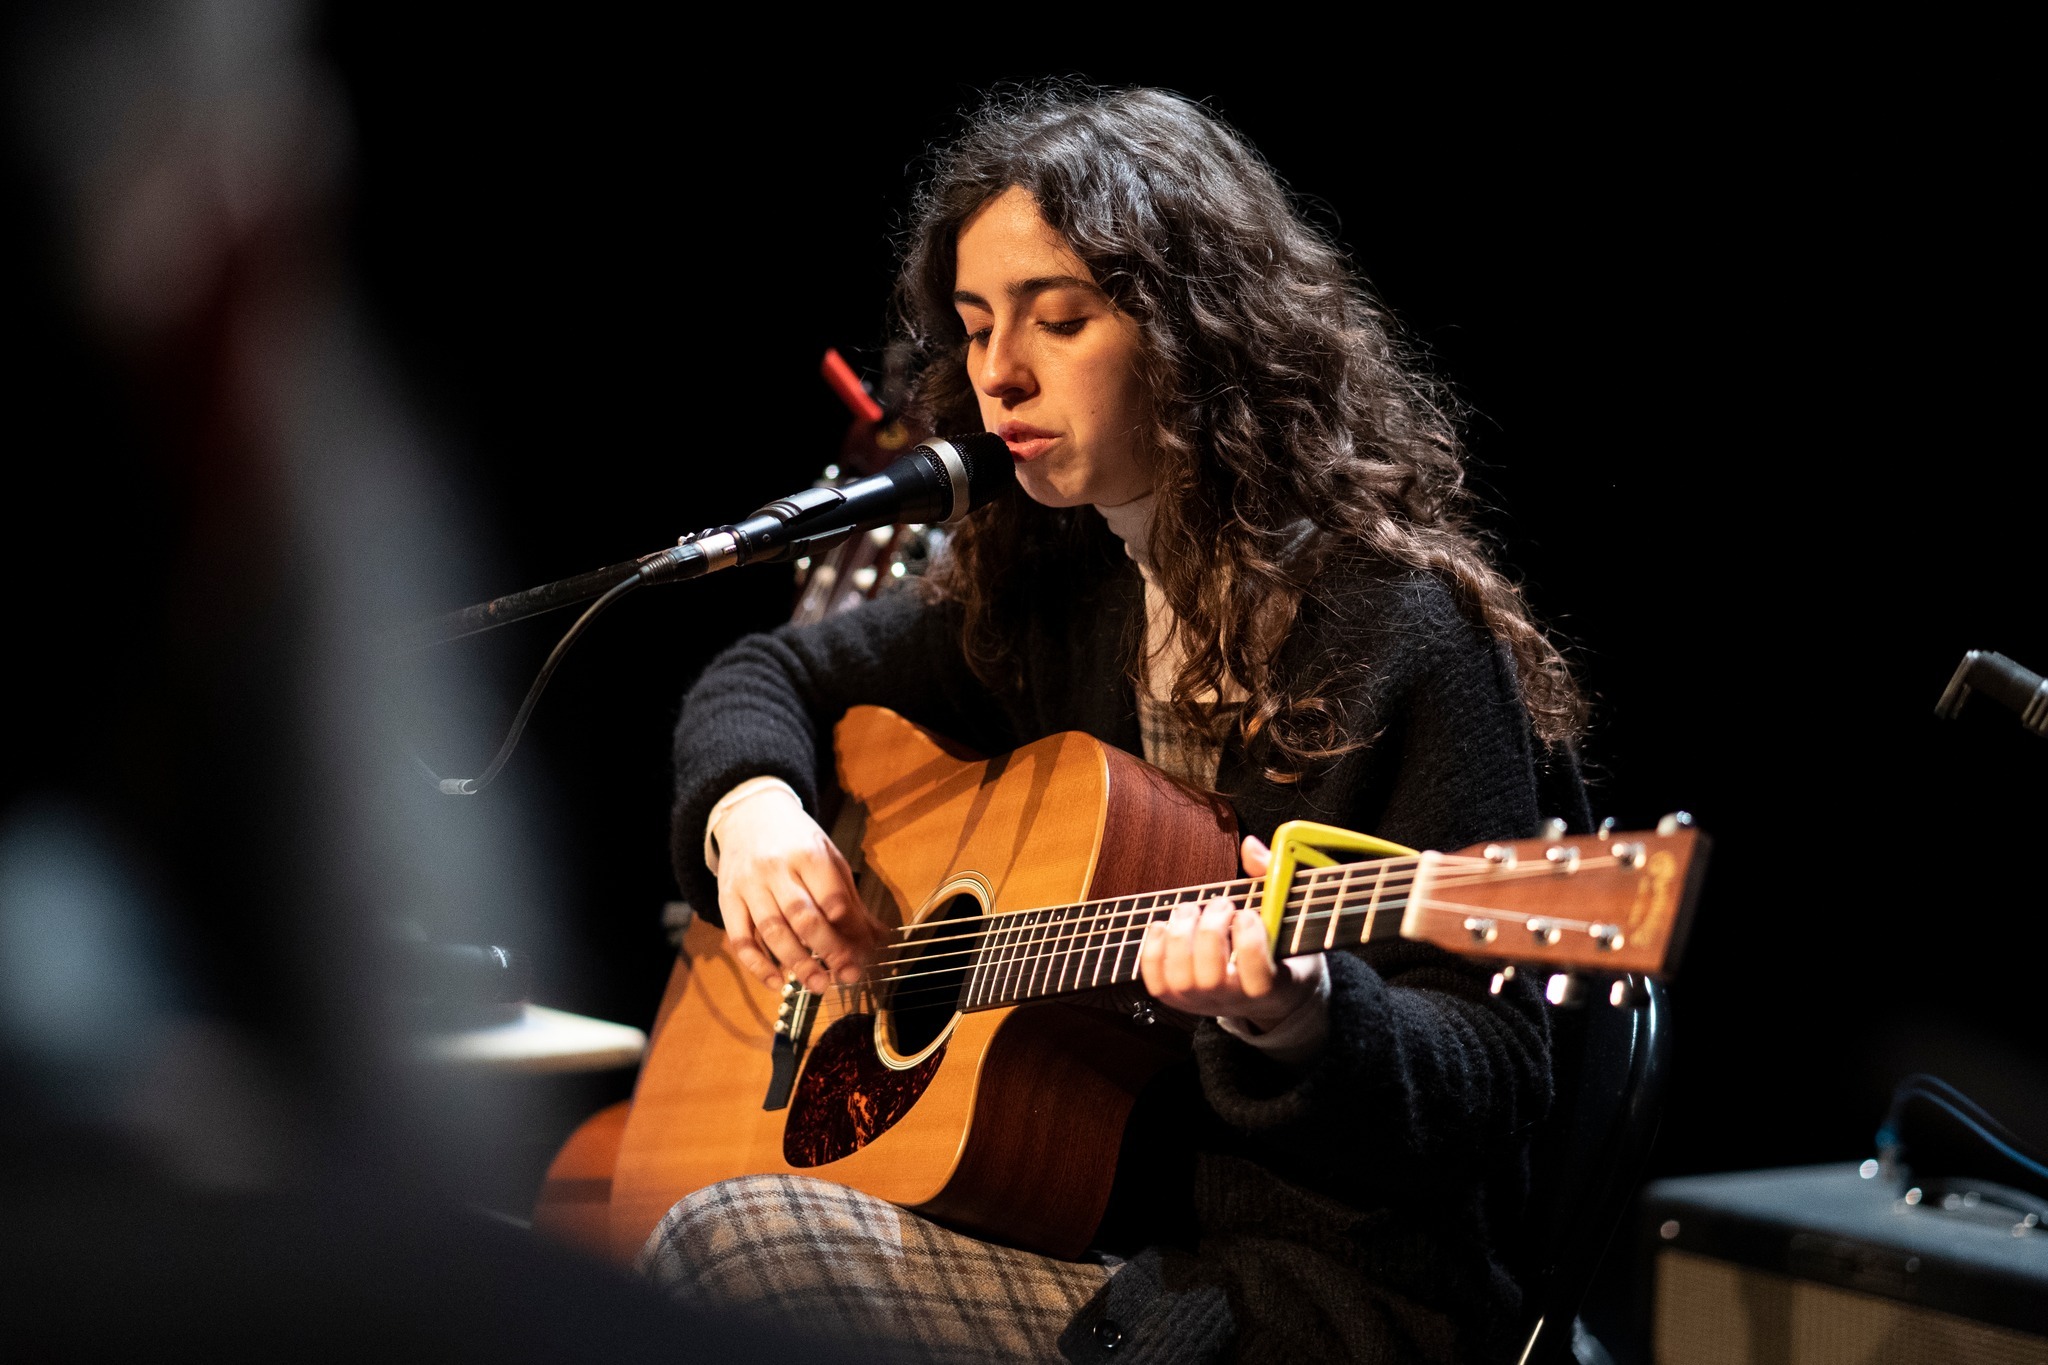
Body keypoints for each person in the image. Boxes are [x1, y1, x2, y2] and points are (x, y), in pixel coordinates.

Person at [644, 84, 1591, 1365]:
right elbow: (766, 673)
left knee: (729, 1246)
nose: (995, 374)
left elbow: (1493, 1075)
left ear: (1196, 332)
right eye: (975, 327)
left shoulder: (1401, 633)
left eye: (1059, 319)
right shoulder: (1060, 591)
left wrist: (1304, 1017)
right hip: (1105, 1235)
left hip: (1318, 1292)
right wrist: (750, 810)